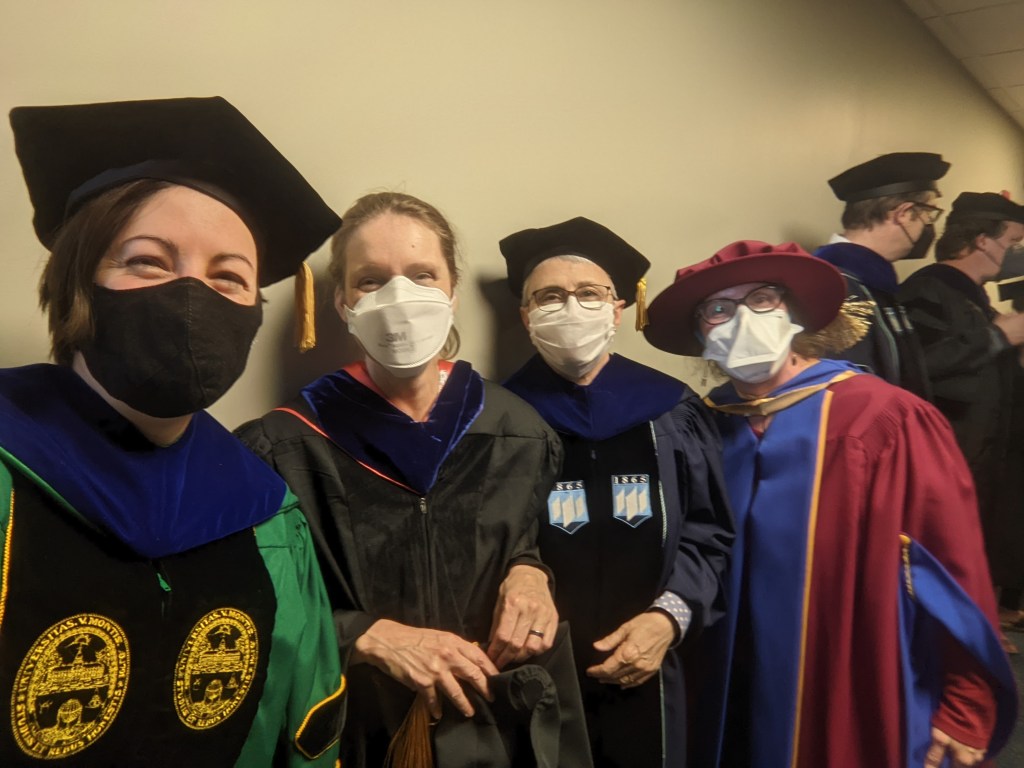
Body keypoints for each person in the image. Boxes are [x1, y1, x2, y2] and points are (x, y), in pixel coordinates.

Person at [0, 97, 344, 766]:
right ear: (77, 283)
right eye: (150, 262)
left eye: (228, 277)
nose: (192, 297)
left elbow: (302, 737)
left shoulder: (265, 510)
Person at [236, 192, 592, 768]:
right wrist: (364, 635)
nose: (399, 297)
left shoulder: (517, 429)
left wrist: (532, 574)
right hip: (352, 729)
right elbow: (253, 607)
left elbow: (532, 542)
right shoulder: (284, 447)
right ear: (342, 301)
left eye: (422, 275)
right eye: (371, 280)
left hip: (491, 725)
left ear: (450, 293)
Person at [643, 240, 1017, 768]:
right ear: (702, 334)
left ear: (794, 312)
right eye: (718, 309)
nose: (741, 319)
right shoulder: (699, 425)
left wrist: (965, 702)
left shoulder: (884, 418)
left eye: (763, 299)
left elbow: (949, 564)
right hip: (725, 669)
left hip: (847, 661)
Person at [499, 216, 733, 767]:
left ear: (619, 308)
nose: (571, 308)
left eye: (589, 294)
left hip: (648, 665)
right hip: (534, 669)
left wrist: (668, 619)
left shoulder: (672, 410)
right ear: (525, 314)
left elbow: (708, 534)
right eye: (550, 296)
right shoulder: (498, 416)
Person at [898, 192, 1024, 652]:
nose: (1017, 253)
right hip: (946, 451)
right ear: (981, 239)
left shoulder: (975, 301)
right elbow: (921, 365)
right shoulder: (928, 290)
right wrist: (997, 336)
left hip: (982, 454)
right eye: (1014, 240)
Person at [813, 151, 950, 399]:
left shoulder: (875, 282)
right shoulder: (838, 287)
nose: (928, 226)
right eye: (929, 214)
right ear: (904, 213)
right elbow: (848, 397)